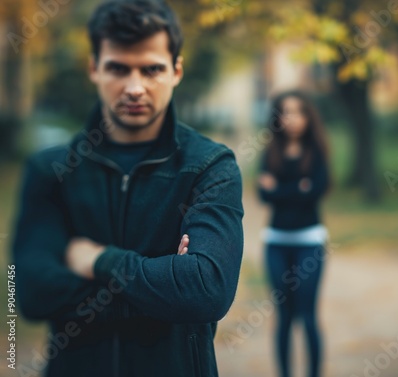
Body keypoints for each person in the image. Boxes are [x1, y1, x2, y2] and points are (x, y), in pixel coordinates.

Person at [11, 1, 244, 376]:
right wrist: (163, 287)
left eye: (151, 69)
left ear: (176, 71)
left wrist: (100, 261)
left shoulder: (209, 166)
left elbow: (207, 290)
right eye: (119, 68)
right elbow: (32, 294)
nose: (135, 87)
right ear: (94, 69)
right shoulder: (50, 170)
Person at [257, 90, 332, 377]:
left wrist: (280, 189)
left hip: (309, 243)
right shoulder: (270, 152)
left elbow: (315, 191)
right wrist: (296, 188)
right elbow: (264, 195)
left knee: (308, 316)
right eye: (285, 112)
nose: (292, 119)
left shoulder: (317, 152)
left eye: (298, 111)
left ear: (308, 116)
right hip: (276, 243)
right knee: (284, 318)